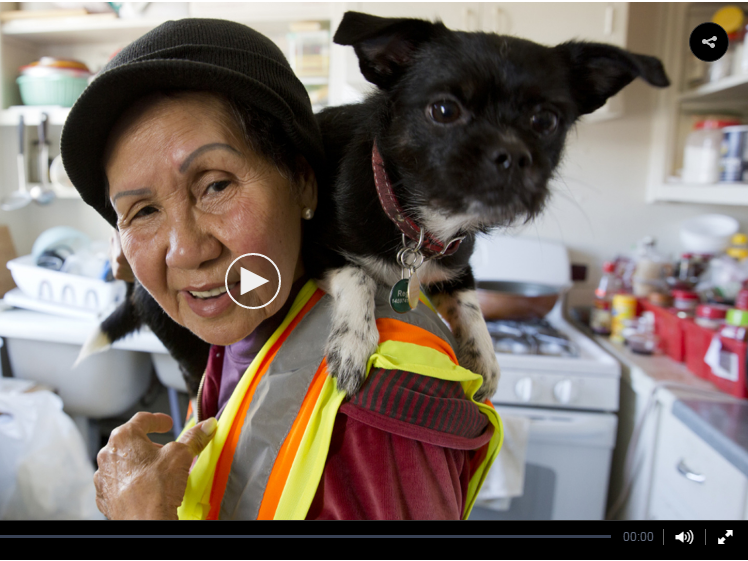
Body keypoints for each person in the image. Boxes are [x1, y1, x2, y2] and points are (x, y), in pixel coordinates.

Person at [60, 18, 502, 521]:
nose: (185, 252)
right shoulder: (250, 319)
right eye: (142, 212)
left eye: (217, 185)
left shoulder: (374, 403)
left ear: (303, 184)